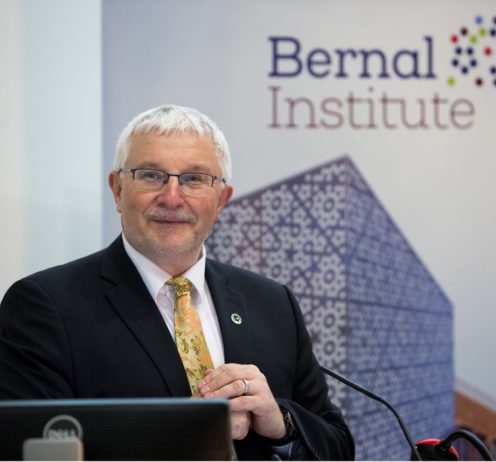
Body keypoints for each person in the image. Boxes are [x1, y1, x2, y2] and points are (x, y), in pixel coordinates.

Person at [0, 105, 354, 460]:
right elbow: (31, 451)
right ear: (117, 189)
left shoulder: (271, 303)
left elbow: (338, 447)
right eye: (151, 175)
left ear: (221, 201)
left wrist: (282, 424)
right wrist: (183, 431)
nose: (172, 197)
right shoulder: (45, 306)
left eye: (194, 179)